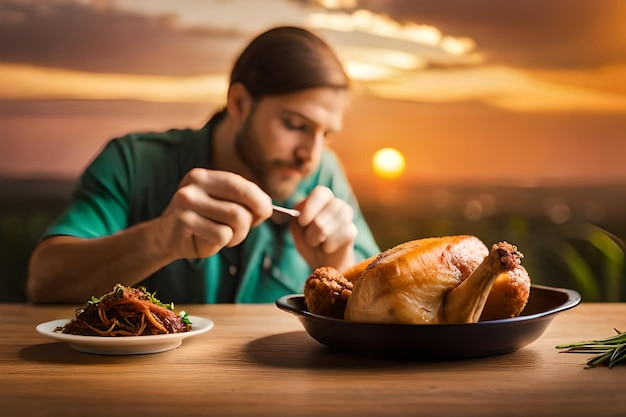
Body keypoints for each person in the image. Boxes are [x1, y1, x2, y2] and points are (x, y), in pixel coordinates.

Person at [26, 26, 380, 304]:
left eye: (325, 135)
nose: (310, 155)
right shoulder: (134, 163)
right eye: (295, 125)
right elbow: (44, 281)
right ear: (239, 103)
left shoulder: (324, 173)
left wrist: (342, 262)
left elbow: (380, 298)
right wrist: (159, 240)